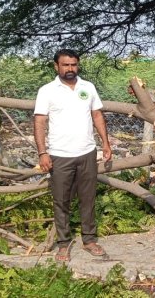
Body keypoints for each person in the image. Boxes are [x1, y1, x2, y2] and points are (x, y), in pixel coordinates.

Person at [34, 49, 112, 262]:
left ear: (78, 65)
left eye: (73, 65)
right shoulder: (47, 91)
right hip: (59, 155)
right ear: (56, 66)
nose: (70, 69)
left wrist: (105, 143)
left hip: (87, 152)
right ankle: (63, 243)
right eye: (65, 65)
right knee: (61, 200)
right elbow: (40, 122)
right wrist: (42, 152)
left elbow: (97, 114)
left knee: (88, 198)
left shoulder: (88, 87)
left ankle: (89, 240)